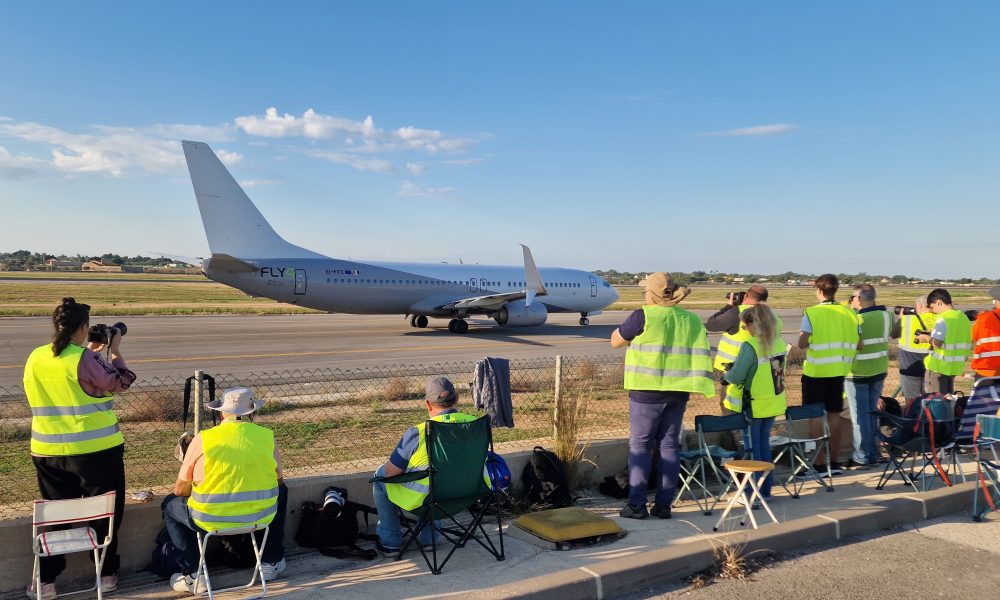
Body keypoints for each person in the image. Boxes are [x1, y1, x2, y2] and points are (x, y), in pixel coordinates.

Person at [23, 298, 135, 600]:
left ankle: (45, 581)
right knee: (105, 513)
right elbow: (122, 382)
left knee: (57, 515)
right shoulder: (83, 359)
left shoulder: (36, 356)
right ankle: (106, 573)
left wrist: (93, 357)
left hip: (46, 450)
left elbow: (67, 382)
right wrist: (114, 351)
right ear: (84, 327)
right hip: (95, 450)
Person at [161, 387, 287, 594]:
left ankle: (194, 574)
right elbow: (279, 481)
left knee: (170, 506)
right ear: (251, 413)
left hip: (209, 520)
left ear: (221, 413)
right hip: (261, 516)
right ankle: (270, 562)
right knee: (282, 494)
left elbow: (180, 489)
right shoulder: (266, 436)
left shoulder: (204, 438)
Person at [610, 272, 715, 519]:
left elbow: (615, 341)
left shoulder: (642, 315)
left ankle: (636, 505)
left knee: (640, 448)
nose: (643, 294)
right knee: (669, 448)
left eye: (645, 291)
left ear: (652, 294)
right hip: (678, 391)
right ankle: (664, 505)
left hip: (647, 392)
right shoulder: (690, 319)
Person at [372, 377, 478, 554]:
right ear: (457, 399)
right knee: (439, 479)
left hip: (428, 500)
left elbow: (390, 473)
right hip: (468, 494)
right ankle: (430, 539)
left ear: (428, 404)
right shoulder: (474, 424)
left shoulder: (419, 432)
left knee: (380, 476)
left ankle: (390, 541)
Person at [722, 303, 787, 504]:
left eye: (745, 325)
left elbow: (738, 375)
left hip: (754, 404)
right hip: (772, 402)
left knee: (752, 451)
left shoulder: (750, 346)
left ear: (753, 324)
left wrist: (727, 376)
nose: (745, 329)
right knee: (764, 447)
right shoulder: (778, 343)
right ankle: (766, 490)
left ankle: (752, 493)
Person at [798, 274, 861, 475]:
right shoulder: (849, 313)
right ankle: (833, 462)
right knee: (834, 415)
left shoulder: (812, 313)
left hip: (816, 372)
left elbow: (802, 343)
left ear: (818, 290)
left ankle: (818, 464)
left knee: (815, 417)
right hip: (839, 371)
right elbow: (859, 343)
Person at [706, 285, 783, 414]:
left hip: (734, 368)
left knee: (730, 404)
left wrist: (729, 306)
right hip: (764, 368)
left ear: (746, 296)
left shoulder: (737, 312)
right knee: (757, 403)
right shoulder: (773, 316)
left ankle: (735, 432)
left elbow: (711, 325)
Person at [845, 284, 892, 469]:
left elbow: (855, 343)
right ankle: (874, 452)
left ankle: (862, 456)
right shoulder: (887, 315)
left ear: (860, 298)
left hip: (858, 372)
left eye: (852, 297)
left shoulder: (857, 318)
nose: (851, 301)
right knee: (872, 414)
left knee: (859, 417)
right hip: (879, 369)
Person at [916, 288, 973, 394]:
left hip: (939, 368)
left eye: (932, 307)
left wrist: (926, 338)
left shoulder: (943, 318)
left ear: (939, 302)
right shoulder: (963, 318)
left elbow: (937, 343)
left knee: (936, 401)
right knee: (948, 399)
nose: (933, 311)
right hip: (954, 367)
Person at [889, 296, 937, 403]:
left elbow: (892, 335)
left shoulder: (907, 319)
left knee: (911, 403)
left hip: (910, 367)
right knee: (931, 401)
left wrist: (901, 318)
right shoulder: (940, 319)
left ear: (919, 306)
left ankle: (913, 418)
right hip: (932, 368)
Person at [971, 285, 1000, 381]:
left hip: (987, 369)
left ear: (996, 301)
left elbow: (973, 337)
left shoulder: (984, 317)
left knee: (984, 396)